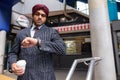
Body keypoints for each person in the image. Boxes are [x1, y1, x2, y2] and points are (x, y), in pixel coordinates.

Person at [8, 4, 66, 80]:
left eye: (43, 15)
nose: (40, 17)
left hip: (45, 77)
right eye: (37, 14)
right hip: (24, 76)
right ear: (32, 15)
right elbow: (13, 53)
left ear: (46, 18)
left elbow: (62, 49)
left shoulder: (52, 32)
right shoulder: (21, 33)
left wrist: (38, 42)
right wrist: (13, 64)